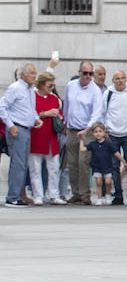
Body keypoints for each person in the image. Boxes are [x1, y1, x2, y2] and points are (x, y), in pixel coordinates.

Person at [62, 61, 103, 205]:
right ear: (79, 73)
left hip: (87, 131)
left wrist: (87, 129)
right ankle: (76, 193)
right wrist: (66, 122)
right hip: (72, 130)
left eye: (90, 74)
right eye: (85, 73)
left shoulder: (95, 90)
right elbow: (66, 104)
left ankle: (85, 193)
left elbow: (97, 112)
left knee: (83, 162)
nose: (88, 76)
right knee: (72, 163)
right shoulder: (70, 86)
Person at [1, 63, 38, 207]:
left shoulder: (30, 90)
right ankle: (12, 197)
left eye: (35, 72)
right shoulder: (15, 88)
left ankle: (17, 195)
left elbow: (30, 109)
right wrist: (10, 126)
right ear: (23, 74)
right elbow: (2, 107)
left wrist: (36, 119)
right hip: (17, 129)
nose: (34, 75)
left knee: (22, 164)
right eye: (31, 73)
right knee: (18, 164)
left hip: (27, 129)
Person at [102, 70, 127, 205]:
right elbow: (103, 113)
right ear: (113, 80)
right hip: (112, 135)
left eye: (122, 78)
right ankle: (118, 195)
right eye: (117, 78)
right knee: (114, 166)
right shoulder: (108, 93)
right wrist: (105, 130)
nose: (120, 81)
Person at [26, 72, 64, 204]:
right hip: (37, 137)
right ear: (41, 84)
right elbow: (30, 114)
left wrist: (59, 117)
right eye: (49, 85)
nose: (52, 87)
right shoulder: (33, 97)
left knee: (54, 167)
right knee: (35, 168)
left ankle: (54, 194)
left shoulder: (54, 99)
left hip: (51, 138)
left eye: (53, 85)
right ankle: (38, 195)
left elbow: (61, 116)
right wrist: (46, 113)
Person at [84, 123, 121, 205]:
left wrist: (123, 161)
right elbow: (83, 149)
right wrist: (81, 139)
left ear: (104, 132)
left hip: (107, 166)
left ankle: (108, 195)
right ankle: (99, 198)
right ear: (93, 134)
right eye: (95, 132)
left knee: (108, 182)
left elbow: (116, 152)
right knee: (98, 182)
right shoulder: (93, 144)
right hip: (97, 166)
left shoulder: (108, 143)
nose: (98, 133)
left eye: (100, 131)